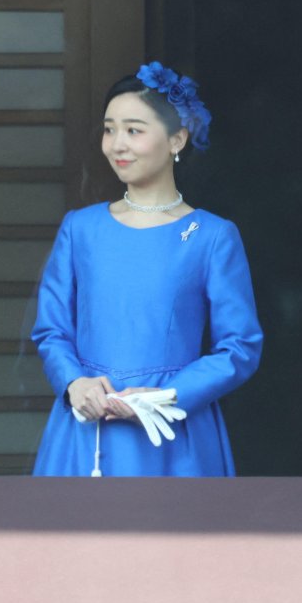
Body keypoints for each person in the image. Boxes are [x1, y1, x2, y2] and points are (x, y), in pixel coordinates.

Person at [31, 62, 263, 476]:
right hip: (87, 426)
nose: (117, 144)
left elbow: (239, 346)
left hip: (172, 427)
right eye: (109, 129)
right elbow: (52, 330)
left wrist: (169, 395)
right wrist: (73, 383)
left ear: (177, 138)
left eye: (134, 130)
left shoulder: (211, 235)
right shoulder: (80, 228)